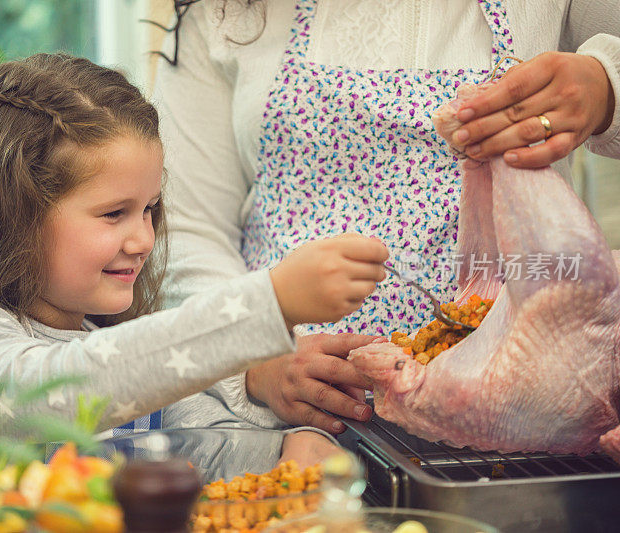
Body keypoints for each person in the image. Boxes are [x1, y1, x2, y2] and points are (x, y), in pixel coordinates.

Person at [0, 53, 389, 472]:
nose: (143, 238)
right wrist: (266, 307)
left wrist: (291, 452)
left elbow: (206, 450)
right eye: (114, 213)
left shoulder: (111, 350)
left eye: (149, 210)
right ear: (12, 214)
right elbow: (69, 390)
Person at [154, 0, 620, 435]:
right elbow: (185, 228)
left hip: (523, 410)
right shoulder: (223, 11)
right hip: (289, 432)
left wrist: (607, 87)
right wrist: (250, 361)